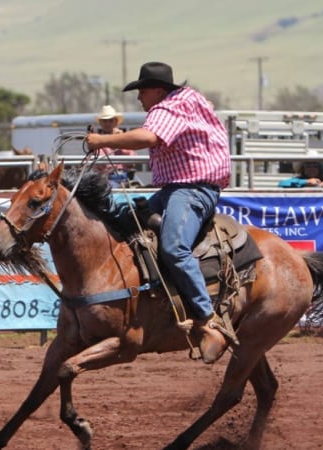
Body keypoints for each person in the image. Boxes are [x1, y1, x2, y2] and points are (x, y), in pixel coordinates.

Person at [85, 61, 232, 364]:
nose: (139, 97)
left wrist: (101, 141)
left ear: (158, 90)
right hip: (176, 188)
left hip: (191, 188)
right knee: (125, 223)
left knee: (174, 247)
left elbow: (148, 138)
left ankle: (208, 319)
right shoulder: (187, 101)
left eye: (142, 91)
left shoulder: (169, 107)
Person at [93, 105, 137, 187]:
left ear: (115, 122)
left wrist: (121, 139)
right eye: (105, 121)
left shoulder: (124, 137)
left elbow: (132, 159)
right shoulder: (97, 140)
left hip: (127, 175)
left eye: (110, 121)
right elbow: (100, 162)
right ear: (101, 123)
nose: (107, 123)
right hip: (108, 177)